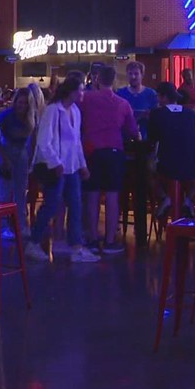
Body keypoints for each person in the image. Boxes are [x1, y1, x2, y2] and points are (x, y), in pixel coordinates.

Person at [23, 77, 98, 263]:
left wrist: (82, 165)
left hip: (70, 167)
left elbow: (76, 142)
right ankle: (33, 242)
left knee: (75, 205)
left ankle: (76, 246)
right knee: (52, 204)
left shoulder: (74, 111)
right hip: (56, 167)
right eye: (80, 90)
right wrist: (55, 162)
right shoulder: (52, 111)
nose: (82, 93)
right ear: (70, 91)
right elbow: (44, 141)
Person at [80, 65, 139, 254]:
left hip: (91, 151)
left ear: (97, 80)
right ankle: (110, 240)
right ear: (114, 80)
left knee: (92, 194)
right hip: (114, 151)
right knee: (112, 195)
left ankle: (92, 238)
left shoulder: (86, 99)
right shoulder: (123, 103)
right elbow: (132, 131)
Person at [148, 81, 195, 219]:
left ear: (164, 97)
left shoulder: (157, 114)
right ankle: (188, 199)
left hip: (167, 167)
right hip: (191, 166)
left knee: (147, 171)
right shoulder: (190, 114)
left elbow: (151, 140)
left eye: (158, 96)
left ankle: (165, 197)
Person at [0, 87, 37, 239]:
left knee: (21, 192)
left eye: (25, 103)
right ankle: (3, 227)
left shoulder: (31, 117)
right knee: (4, 192)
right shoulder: (6, 115)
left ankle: (20, 225)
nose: (22, 106)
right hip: (6, 151)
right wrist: (4, 159)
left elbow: (32, 140)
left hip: (22, 154)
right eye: (20, 103)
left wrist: (31, 159)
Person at [117, 61, 158, 138]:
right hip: (124, 139)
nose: (133, 77)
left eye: (136, 74)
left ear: (142, 75)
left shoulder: (151, 94)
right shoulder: (120, 94)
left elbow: (156, 119)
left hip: (145, 139)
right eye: (130, 74)